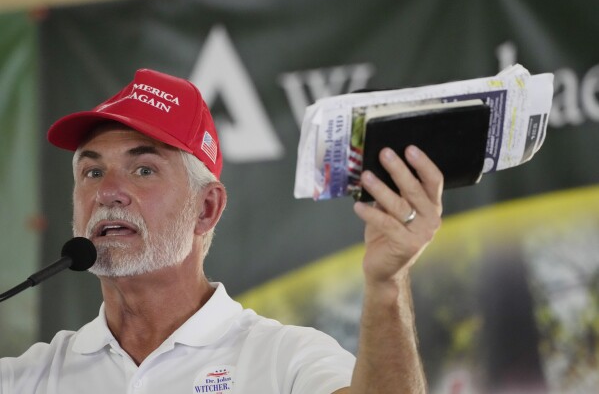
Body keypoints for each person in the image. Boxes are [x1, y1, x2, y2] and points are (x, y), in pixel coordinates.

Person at [0, 68, 443, 393]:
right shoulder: (29, 377)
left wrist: (387, 285)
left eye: (143, 169)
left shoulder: (282, 358)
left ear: (206, 208)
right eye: (92, 173)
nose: (109, 192)